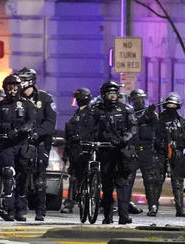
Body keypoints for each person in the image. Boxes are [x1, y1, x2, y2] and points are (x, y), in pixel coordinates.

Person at [0, 74, 36, 221]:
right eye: (9, 87)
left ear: (19, 87)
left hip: (21, 144)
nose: (12, 90)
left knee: (22, 178)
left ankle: (20, 209)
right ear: (5, 88)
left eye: (15, 86)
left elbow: (31, 122)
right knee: (8, 172)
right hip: (5, 144)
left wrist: (19, 130)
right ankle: (7, 207)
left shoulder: (27, 104)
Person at [87, 81, 137, 225]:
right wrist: (91, 142)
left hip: (122, 153)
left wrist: (123, 140)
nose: (113, 96)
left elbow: (133, 128)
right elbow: (90, 128)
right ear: (104, 95)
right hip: (105, 152)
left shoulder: (126, 109)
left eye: (115, 93)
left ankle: (123, 216)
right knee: (107, 185)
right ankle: (107, 216)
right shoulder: (97, 110)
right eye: (110, 94)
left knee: (122, 184)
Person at [16, 67, 56, 221]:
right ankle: (20, 209)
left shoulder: (45, 99)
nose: (20, 84)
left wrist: (37, 133)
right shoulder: (17, 100)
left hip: (40, 143)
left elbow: (50, 123)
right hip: (22, 142)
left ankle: (40, 210)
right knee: (21, 176)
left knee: (40, 178)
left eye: (23, 80)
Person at [154, 92, 185, 217]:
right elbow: (153, 135)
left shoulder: (182, 121)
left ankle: (180, 209)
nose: (171, 107)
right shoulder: (159, 119)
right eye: (169, 104)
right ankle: (153, 207)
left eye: (174, 105)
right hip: (161, 153)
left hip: (177, 153)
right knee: (158, 180)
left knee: (178, 182)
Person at [127, 89, 160, 216]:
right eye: (136, 99)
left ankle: (153, 205)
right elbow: (133, 123)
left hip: (147, 150)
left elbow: (158, 131)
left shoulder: (152, 114)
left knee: (150, 180)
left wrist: (150, 115)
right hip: (132, 150)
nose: (138, 101)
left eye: (141, 98)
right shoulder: (129, 113)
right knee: (127, 179)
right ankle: (125, 204)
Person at [60, 87, 93, 214]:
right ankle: (71, 200)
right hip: (74, 149)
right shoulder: (77, 114)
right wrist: (66, 153)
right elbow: (69, 135)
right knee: (74, 177)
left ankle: (83, 200)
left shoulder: (91, 114)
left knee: (85, 175)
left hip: (86, 148)